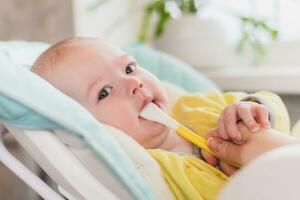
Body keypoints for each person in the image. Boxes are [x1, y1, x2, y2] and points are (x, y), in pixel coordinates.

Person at [31, 37, 290, 200]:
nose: (133, 83)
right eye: (105, 92)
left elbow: (275, 111)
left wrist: (253, 111)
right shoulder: (151, 169)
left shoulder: (193, 106)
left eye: (129, 68)